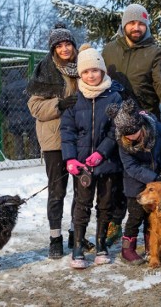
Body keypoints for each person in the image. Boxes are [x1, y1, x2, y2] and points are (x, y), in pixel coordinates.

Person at [102, 3, 161, 247]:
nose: (136, 27)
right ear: (124, 25)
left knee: (145, 182)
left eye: (141, 23)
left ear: (147, 25)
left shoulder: (154, 52)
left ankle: (152, 232)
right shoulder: (109, 51)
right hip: (114, 124)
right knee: (115, 178)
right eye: (132, 23)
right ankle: (114, 223)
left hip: (146, 127)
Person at [26, 23, 93, 260]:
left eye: (68, 44)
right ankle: (55, 237)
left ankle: (78, 233)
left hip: (81, 137)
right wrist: (60, 104)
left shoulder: (84, 66)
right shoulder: (45, 70)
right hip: (55, 139)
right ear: (53, 49)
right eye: (60, 45)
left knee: (82, 190)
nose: (65, 49)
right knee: (57, 191)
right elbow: (34, 107)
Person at [61, 44, 123, 269]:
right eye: (85, 71)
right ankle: (78, 246)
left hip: (107, 162)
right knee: (82, 204)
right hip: (82, 165)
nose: (90, 75)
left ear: (102, 71)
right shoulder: (74, 99)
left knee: (105, 204)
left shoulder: (114, 97)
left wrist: (101, 153)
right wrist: (70, 158)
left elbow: (116, 131)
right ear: (80, 74)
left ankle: (101, 243)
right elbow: (67, 132)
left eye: (94, 70)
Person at [106, 99, 161, 264]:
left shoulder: (157, 129)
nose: (130, 137)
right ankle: (127, 249)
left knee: (152, 218)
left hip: (158, 178)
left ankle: (150, 247)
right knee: (135, 216)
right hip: (135, 183)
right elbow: (130, 166)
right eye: (126, 135)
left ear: (140, 126)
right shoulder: (122, 141)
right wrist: (153, 179)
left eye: (133, 133)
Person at [1, 69, 39, 160]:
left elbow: (2, 105)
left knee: (18, 138)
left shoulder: (6, 88)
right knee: (33, 137)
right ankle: (35, 155)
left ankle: (20, 156)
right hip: (30, 117)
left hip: (15, 118)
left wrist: (7, 114)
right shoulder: (28, 85)